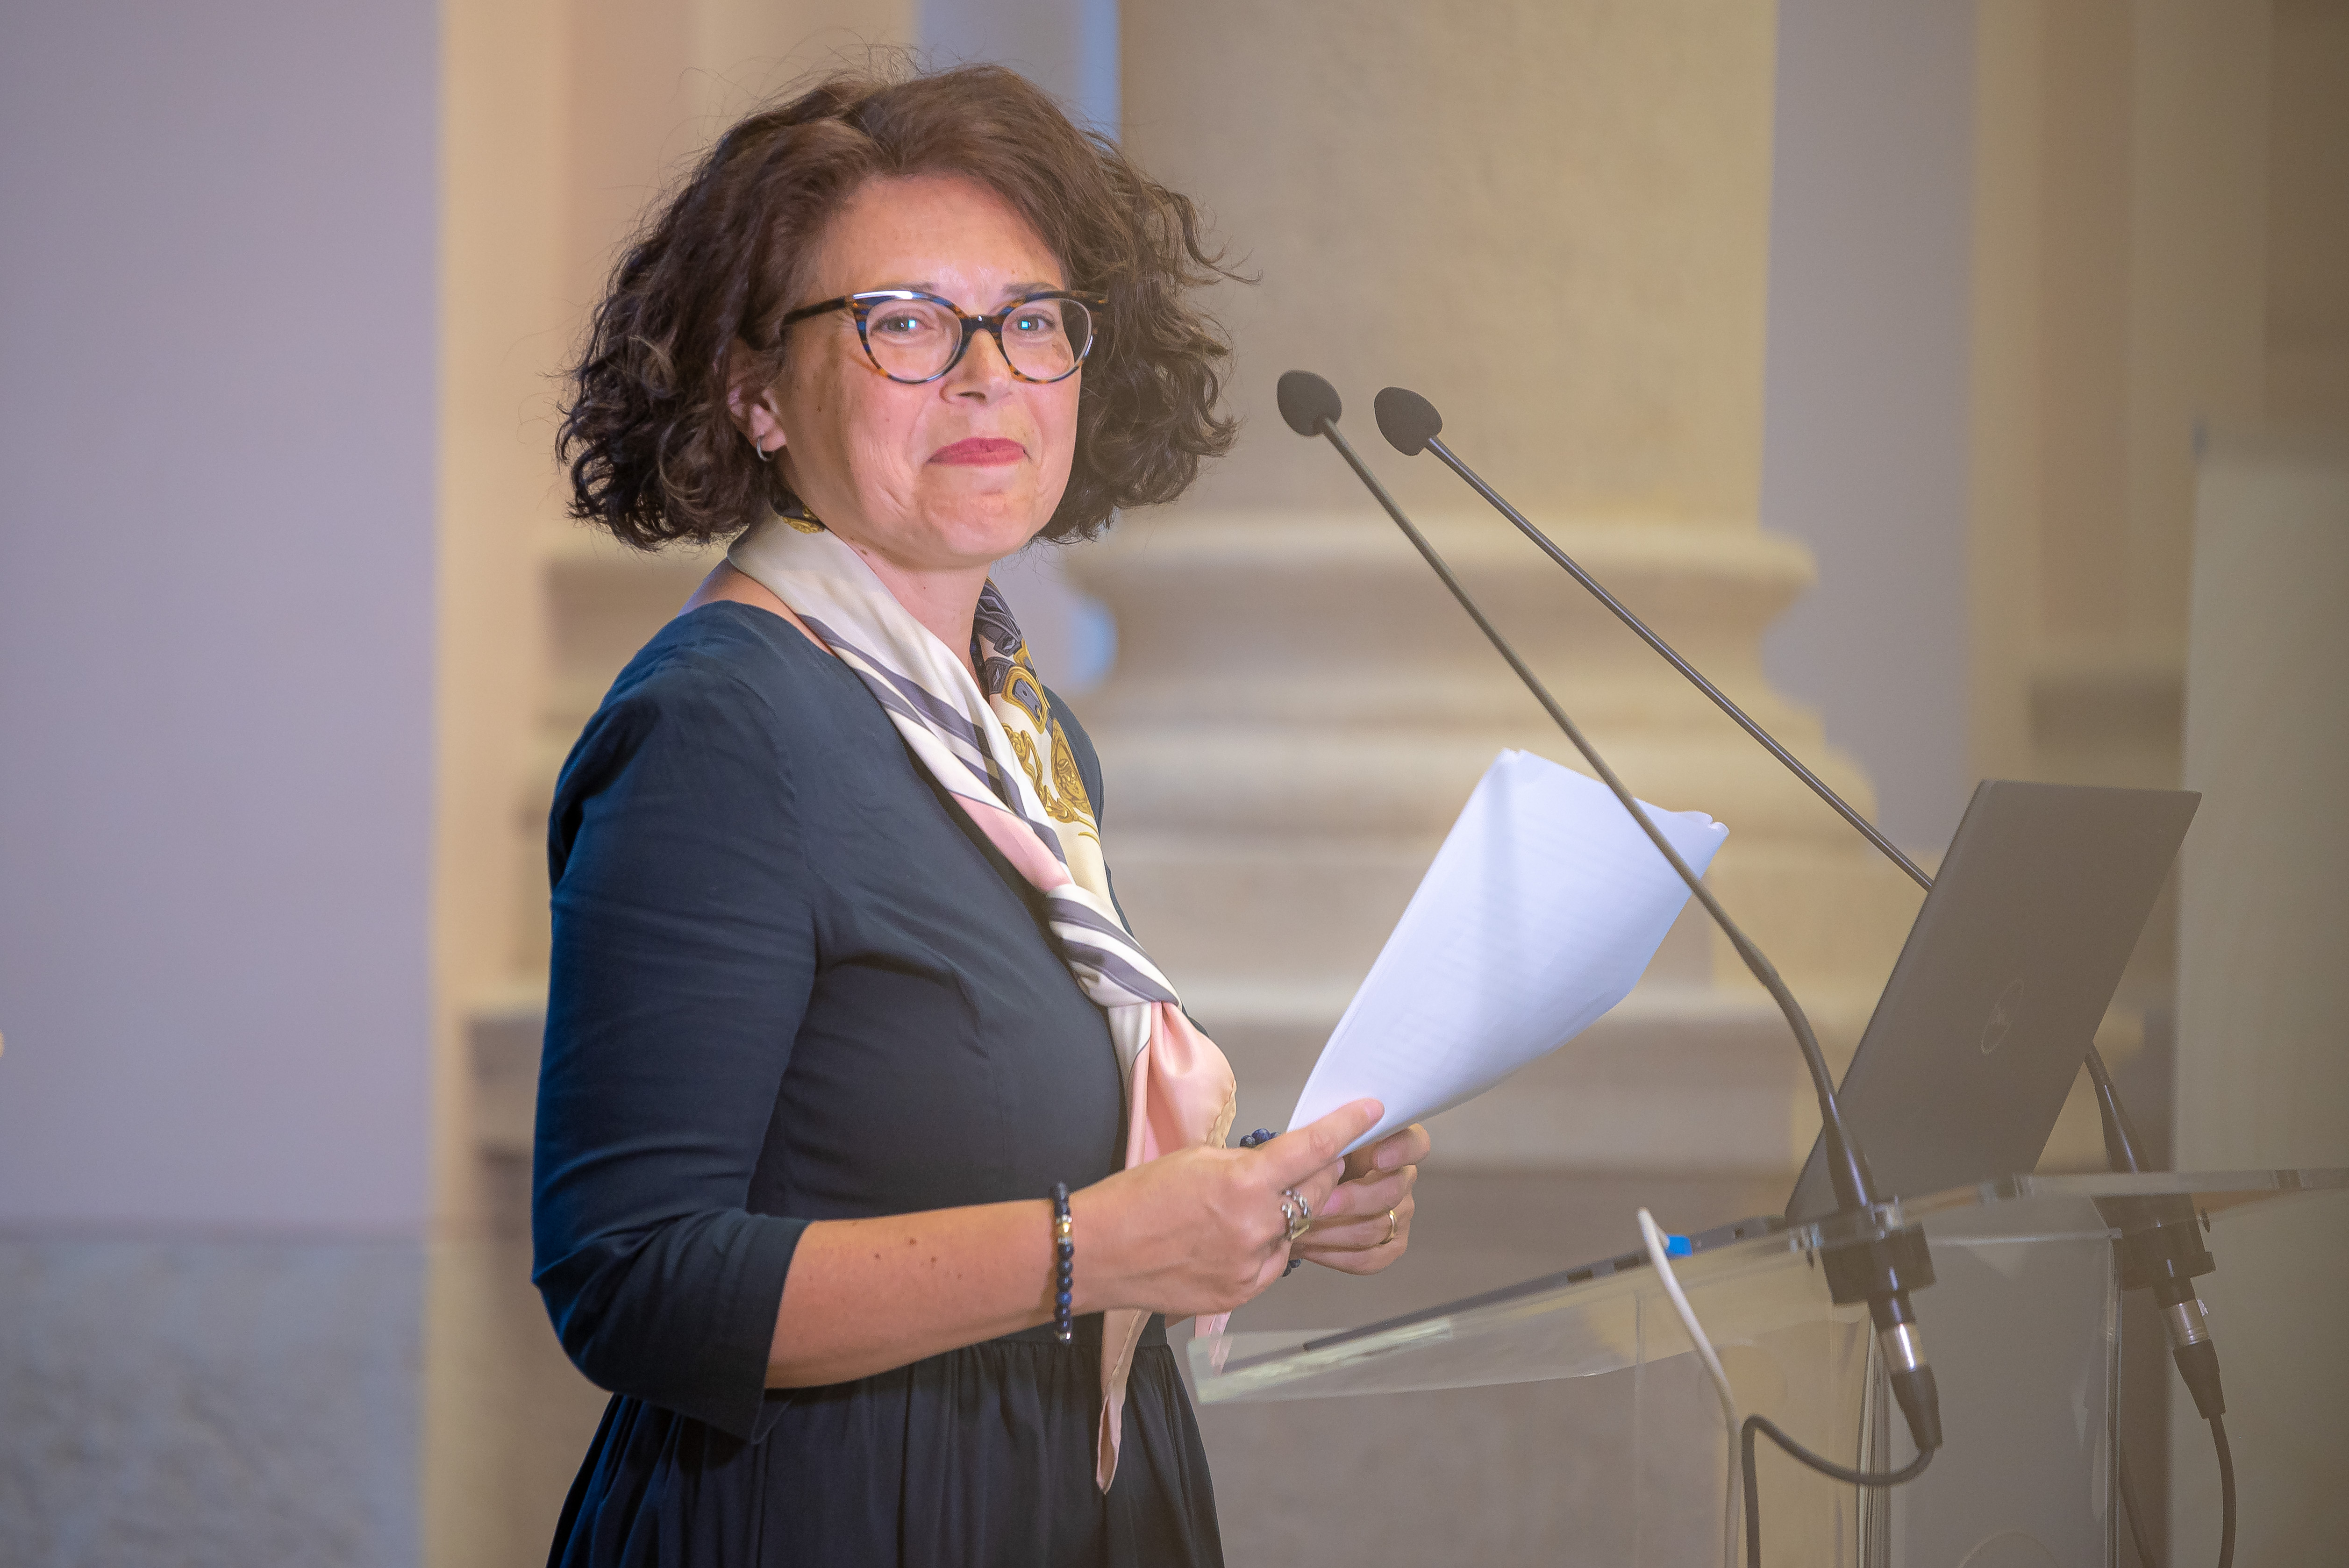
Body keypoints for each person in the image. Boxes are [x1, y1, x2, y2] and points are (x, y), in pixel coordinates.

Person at [535, 65, 1429, 1568]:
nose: (985, 376)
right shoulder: (724, 727)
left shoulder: (1011, 728)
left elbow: (967, 1152)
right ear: (755, 391)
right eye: (903, 323)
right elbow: (631, 1278)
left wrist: (1259, 1197)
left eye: (1030, 321)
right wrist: (1096, 1247)